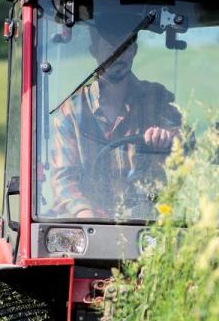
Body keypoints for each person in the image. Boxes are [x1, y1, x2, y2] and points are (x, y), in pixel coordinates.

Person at [48, 19, 181, 218]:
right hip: (85, 225)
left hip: (145, 223)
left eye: (125, 47)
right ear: (94, 51)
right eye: (111, 49)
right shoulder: (72, 112)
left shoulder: (156, 100)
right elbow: (64, 179)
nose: (118, 56)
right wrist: (86, 216)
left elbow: (187, 145)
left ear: (134, 50)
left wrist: (170, 139)